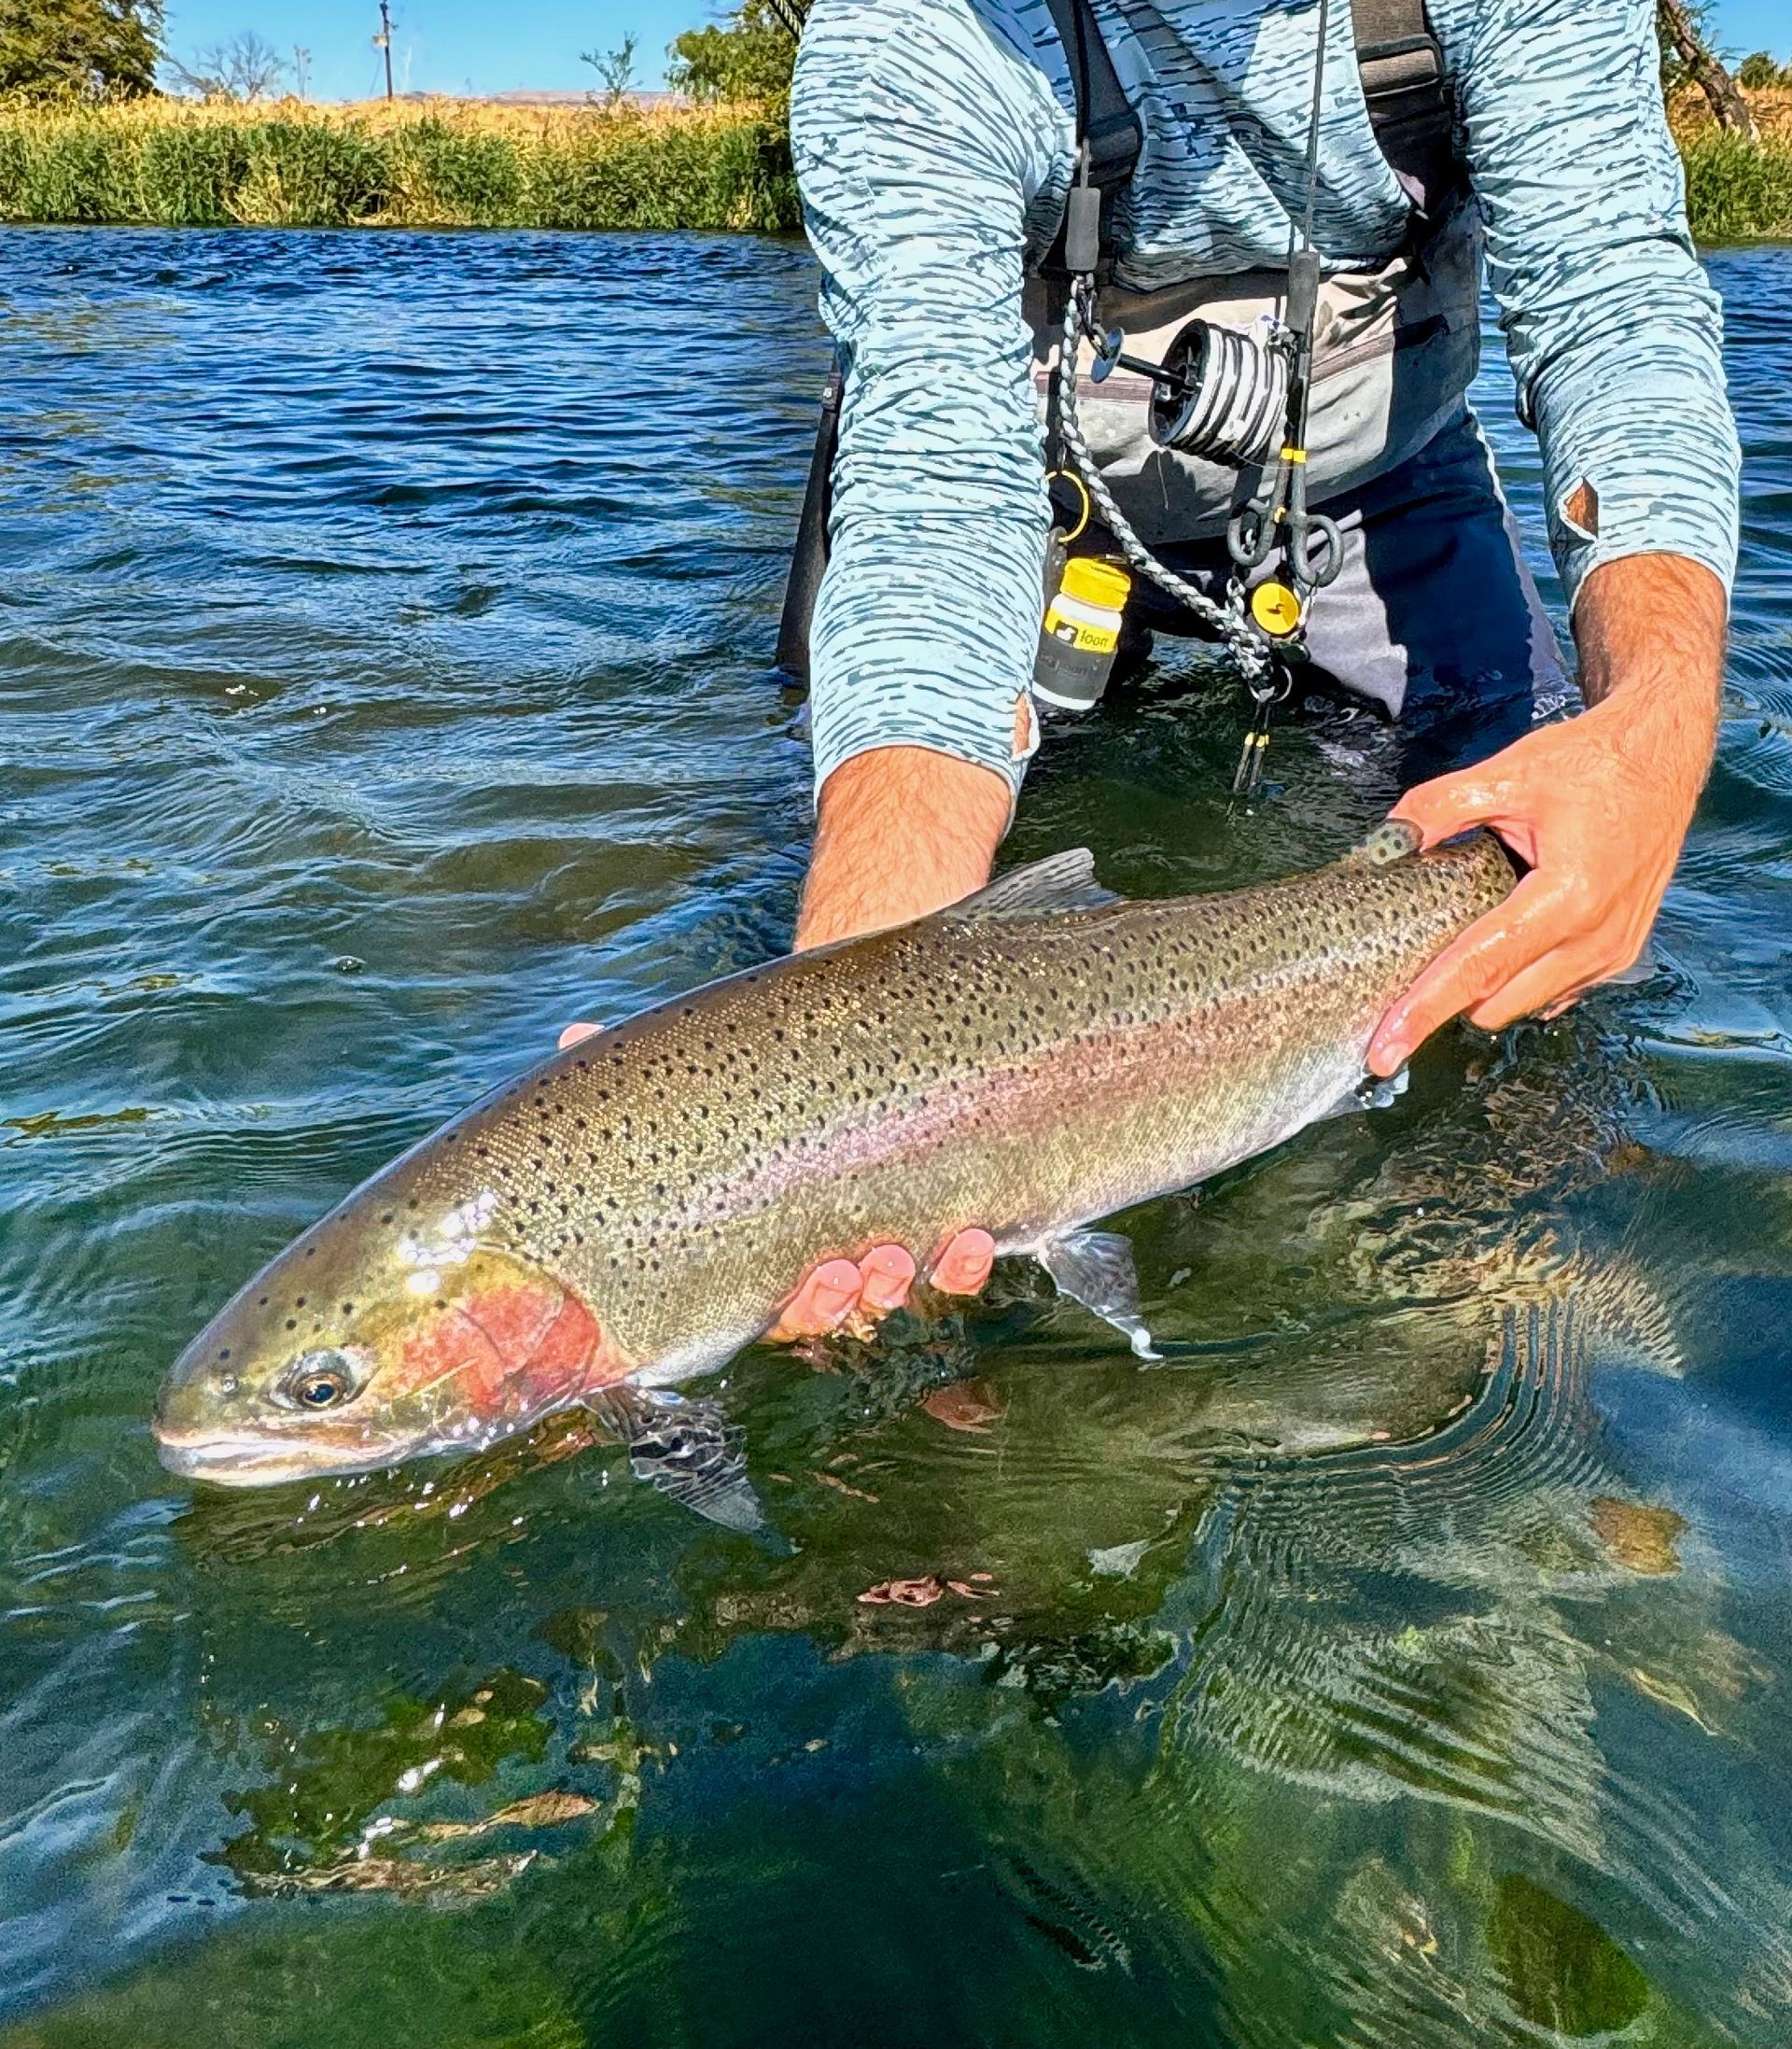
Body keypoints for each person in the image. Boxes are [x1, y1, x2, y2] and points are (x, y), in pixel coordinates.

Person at [593, 0, 1740, 1340]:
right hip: (1025, 486)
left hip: (1384, 477)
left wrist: (1659, 720)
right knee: (871, 943)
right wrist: (845, 1083)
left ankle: (1505, 1298)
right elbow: (934, 512)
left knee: (1545, 922)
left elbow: (1617, 306)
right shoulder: (904, 30)